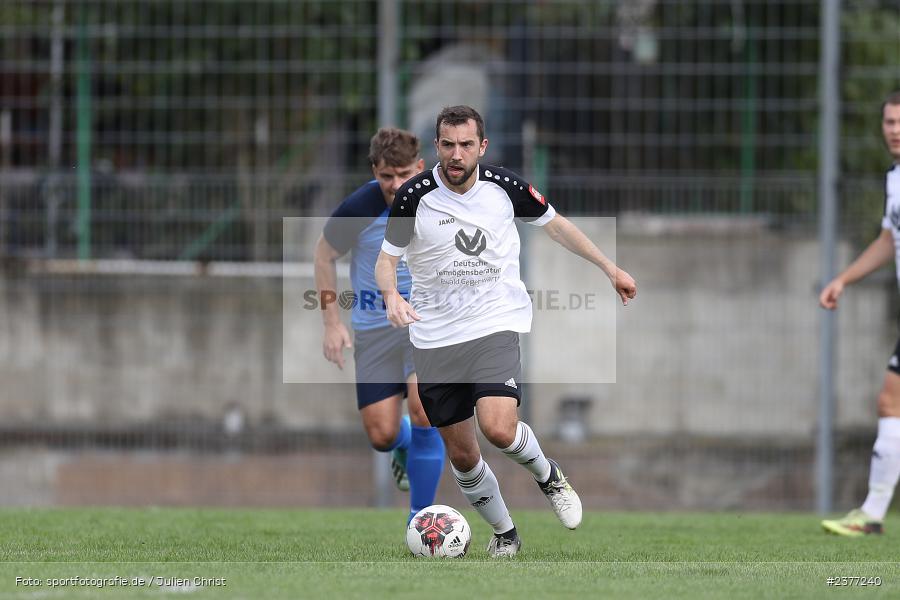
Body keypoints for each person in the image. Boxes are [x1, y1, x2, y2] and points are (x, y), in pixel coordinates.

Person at [375, 105, 636, 556]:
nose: (457, 155)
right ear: (437, 146)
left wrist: (608, 267)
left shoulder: (505, 187)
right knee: (462, 455)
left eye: (466, 145)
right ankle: (506, 534)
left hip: (494, 324)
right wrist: (391, 297)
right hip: (435, 339)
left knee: (498, 427)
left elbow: (557, 227)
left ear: (482, 146)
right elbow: (387, 260)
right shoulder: (413, 196)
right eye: (448, 145)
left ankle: (548, 475)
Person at [314, 127, 445, 523]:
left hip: (425, 326)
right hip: (373, 330)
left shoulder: (440, 204)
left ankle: (421, 519)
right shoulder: (360, 206)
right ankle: (402, 443)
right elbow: (323, 256)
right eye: (387, 176)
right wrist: (332, 323)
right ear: (375, 170)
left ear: (420, 168)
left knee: (425, 409)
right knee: (381, 435)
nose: (395, 184)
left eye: (404, 174)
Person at [820, 91, 900, 536]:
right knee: (891, 402)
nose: (894, 129)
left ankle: (871, 514)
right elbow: (889, 240)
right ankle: (871, 515)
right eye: (889, 121)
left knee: (892, 401)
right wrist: (844, 279)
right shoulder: (894, 179)